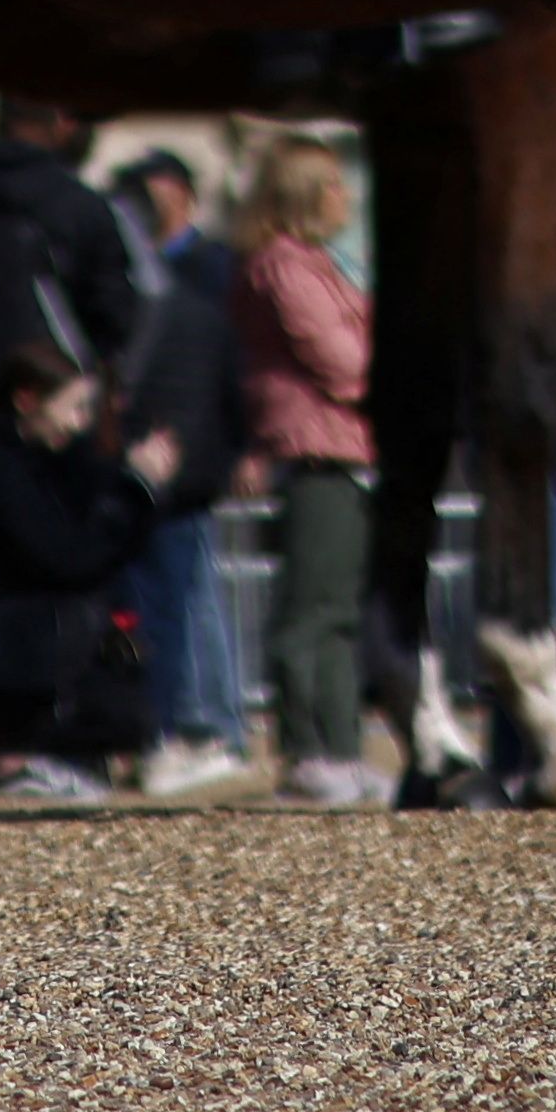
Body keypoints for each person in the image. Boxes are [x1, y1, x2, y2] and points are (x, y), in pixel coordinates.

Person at [0, 342, 166, 796]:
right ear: (27, 400)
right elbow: (66, 558)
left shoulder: (42, 462)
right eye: (73, 407)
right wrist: (135, 493)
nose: (79, 423)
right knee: (81, 620)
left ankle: (6, 750)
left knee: (121, 676)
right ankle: (19, 753)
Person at [236, 139, 388, 804]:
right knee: (312, 611)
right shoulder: (284, 267)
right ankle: (306, 750)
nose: (344, 197)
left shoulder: (315, 264)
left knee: (337, 611)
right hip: (316, 447)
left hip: (344, 447)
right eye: (333, 184)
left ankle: (341, 747)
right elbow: (342, 363)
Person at [108, 151, 257, 794]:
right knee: (179, 592)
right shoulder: (162, 273)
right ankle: (205, 722)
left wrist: (241, 442)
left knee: (189, 593)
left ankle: (209, 722)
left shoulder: (209, 269)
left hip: (187, 450)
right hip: (167, 449)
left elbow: (230, 360)